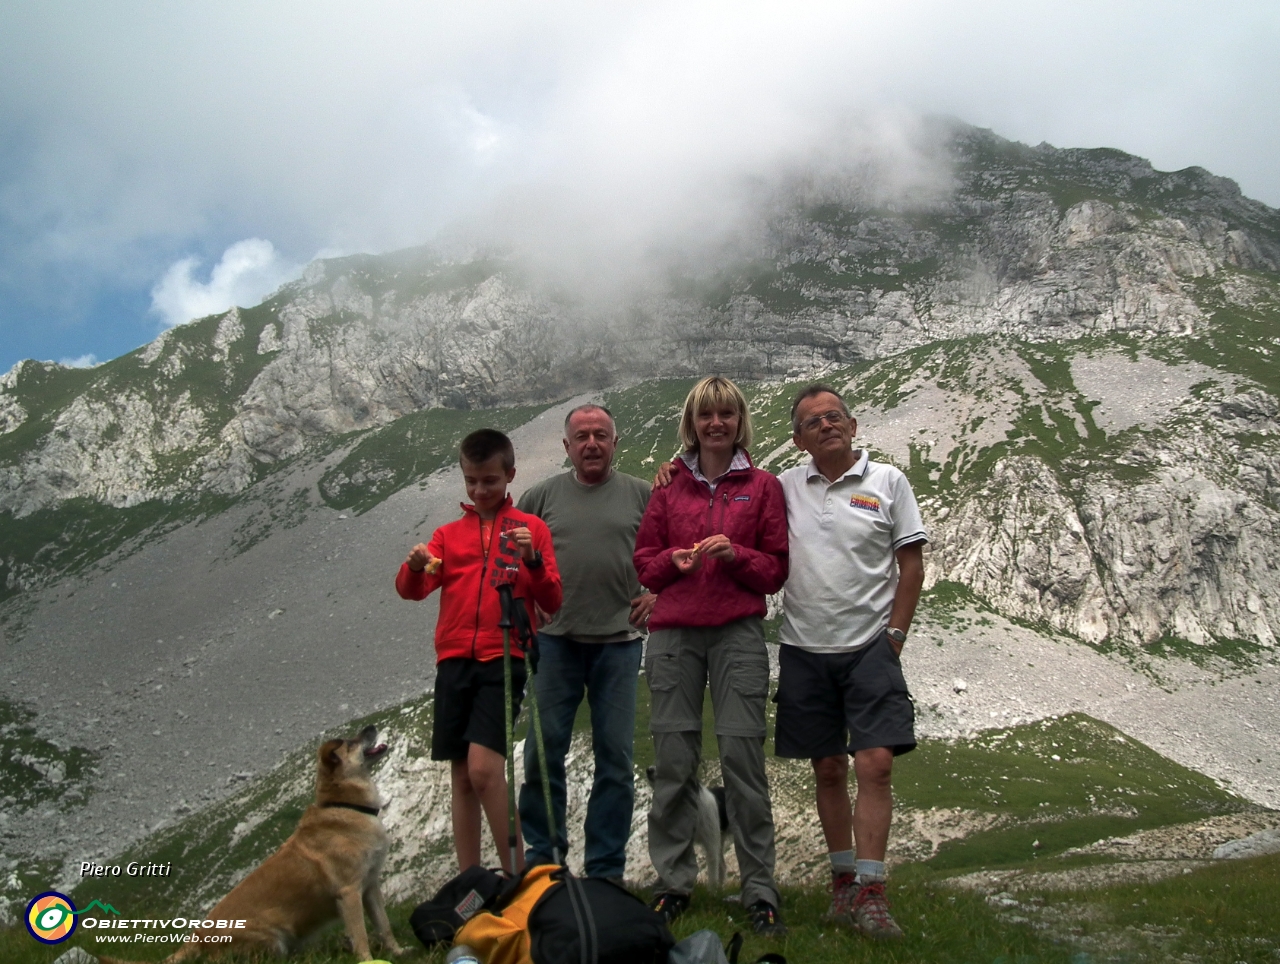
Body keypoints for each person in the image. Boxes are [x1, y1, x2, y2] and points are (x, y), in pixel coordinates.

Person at [633, 375, 789, 937]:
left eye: (726, 414)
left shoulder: (763, 485)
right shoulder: (668, 486)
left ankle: (760, 891)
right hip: (673, 633)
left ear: (739, 420)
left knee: (744, 762)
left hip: (738, 632)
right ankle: (673, 884)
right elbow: (644, 561)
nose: (716, 423)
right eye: (706, 416)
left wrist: (737, 554)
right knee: (674, 762)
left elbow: (775, 568)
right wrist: (671, 561)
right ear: (692, 424)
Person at [774, 384, 926, 939]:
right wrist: (675, 470)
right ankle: (843, 886)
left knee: (876, 765)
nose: (826, 426)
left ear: (854, 425)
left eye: (834, 416)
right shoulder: (784, 486)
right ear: (798, 439)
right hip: (804, 647)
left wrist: (896, 636)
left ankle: (873, 890)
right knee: (829, 768)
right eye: (813, 422)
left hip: (870, 647)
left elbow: (911, 565)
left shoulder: (888, 481)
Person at [396, 428, 562, 875]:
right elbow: (413, 590)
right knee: (462, 776)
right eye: (471, 480)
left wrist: (531, 562)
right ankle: (470, 879)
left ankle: (516, 874)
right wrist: (413, 568)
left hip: (502, 658)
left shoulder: (532, 530)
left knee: (485, 769)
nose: (479, 490)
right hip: (453, 659)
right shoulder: (447, 535)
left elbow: (552, 599)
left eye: (489, 480)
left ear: (509, 475)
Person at [515, 404, 655, 880]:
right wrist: (525, 604)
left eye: (601, 434)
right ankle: (544, 862)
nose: (591, 443)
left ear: (615, 441)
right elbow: (508, 556)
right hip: (554, 643)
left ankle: (605, 870)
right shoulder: (540, 497)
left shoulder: (641, 494)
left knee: (615, 759)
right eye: (582, 436)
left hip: (618, 642)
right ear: (567, 446)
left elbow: (671, 550)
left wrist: (656, 594)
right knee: (541, 753)